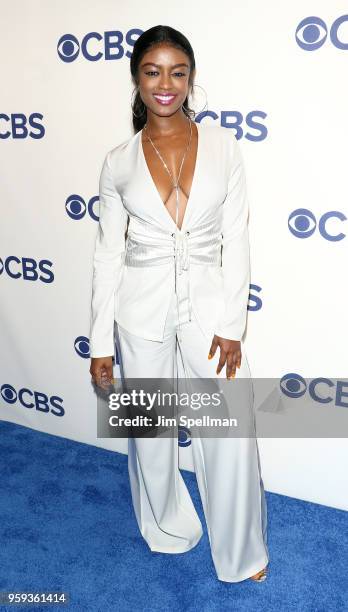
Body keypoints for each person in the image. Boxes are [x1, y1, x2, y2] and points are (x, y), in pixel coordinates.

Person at [89, 24, 269, 583]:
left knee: (229, 431)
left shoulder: (223, 147)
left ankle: (242, 551)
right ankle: (167, 526)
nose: (165, 84)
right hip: (138, 311)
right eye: (152, 71)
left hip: (211, 311)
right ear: (136, 79)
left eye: (178, 71)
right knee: (151, 432)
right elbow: (106, 256)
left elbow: (236, 239)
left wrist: (234, 324)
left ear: (191, 79)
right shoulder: (118, 161)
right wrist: (98, 342)